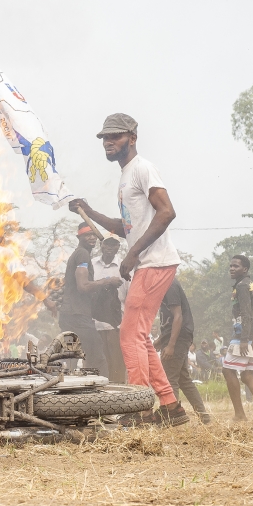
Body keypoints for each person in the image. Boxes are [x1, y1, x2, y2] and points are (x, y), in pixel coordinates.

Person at [68, 113, 187, 427]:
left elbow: (167, 212)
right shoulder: (126, 176)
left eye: (115, 137)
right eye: (105, 138)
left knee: (129, 334)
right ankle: (171, 408)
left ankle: (140, 410)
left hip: (154, 262)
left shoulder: (142, 169)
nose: (108, 143)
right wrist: (89, 211)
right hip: (150, 263)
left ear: (132, 138)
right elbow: (126, 226)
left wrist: (133, 253)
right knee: (140, 336)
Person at [59, 223, 114, 377]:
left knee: (71, 360)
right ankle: (104, 395)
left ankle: (72, 397)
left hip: (67, 316)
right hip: (78, 317)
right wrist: (107, 281)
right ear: (79, 237)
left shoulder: (78, 254)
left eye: (93, 234)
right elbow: (83, 286)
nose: (91, 238)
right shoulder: (82, 254)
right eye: (87, 235)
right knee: (97, 356)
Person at [223, 254, 253, 420]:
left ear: (245, 269)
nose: (231, 268)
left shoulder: (243, 286)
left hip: (243, 336)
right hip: (252, 335)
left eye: (235, 266)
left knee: (228, 371)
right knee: (247, 375)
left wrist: (244, 339)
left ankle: (239, 414)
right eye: (231, 265)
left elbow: (246, 313)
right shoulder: (250, 284)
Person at [156, 279, 210, 423]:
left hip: (178, 337)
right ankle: (203, 415)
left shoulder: (170, 284)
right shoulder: (165, 285)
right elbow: (168, 321)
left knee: (169, 378)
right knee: (183, 379)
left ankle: (172, 416)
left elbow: (178, 316)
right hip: (174, 337)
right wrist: (161, 340)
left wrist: (171, 345)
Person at [90, 235, 129, 382]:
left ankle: (117, 394)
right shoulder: (92, 264)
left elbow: (128, 295)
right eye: (107, 244)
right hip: (94, 323)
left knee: (117, 362)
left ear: (118, 247)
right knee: (98, 361)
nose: (110, 248)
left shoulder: (123, 266)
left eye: (114, 245)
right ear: (102, 245)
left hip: (117, 324)